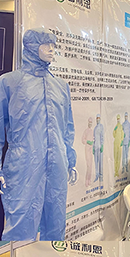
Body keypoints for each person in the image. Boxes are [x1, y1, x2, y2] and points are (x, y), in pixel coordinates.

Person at [0, 28, 77, 241]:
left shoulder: (61, 86)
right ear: (33, 47)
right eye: (46, 45)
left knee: (55, 222)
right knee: (20, 224)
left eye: (53, 45)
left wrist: (69, 160)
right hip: (24, 164)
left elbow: (67, 128)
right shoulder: (9, 82)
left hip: (58, 163)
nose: (52, 49)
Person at [82, 117, 94, 187]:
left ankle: (89, 179)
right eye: (89, 122)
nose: (90, 123)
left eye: (91, 122)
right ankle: (86, 180)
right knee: (88, 165)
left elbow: (94, 139)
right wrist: (87, 141)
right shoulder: (86, 131)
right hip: (87, 148)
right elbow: (83, 140)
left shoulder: (92, 131)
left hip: (91, 149)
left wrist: (93, 143)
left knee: (91, 165)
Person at [93, 114, 104, 182]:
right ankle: (97, 175)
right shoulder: (95, 128)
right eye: (97, 118)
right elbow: (94, 138)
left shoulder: (101, 127)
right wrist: (93, 147)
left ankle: (101, 176)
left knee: (100, 162)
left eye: (98, 118)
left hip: (99, 147)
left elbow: (102, 136)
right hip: (95, 147)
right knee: (96, 162)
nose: (97, 119)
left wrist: (102, 145)